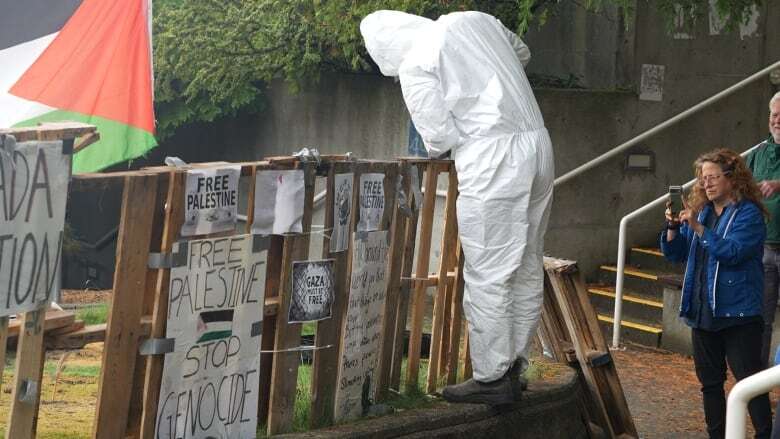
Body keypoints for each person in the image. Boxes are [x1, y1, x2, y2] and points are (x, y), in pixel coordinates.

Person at [360, 10, 554, 405]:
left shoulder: (416, 64)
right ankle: (514, 364)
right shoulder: (473, 20)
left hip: (491, 157)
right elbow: (522, 52)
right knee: (526, 262)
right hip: (538, 144)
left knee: (489, 269)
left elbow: (438, 138)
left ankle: (491, 376)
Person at [661, 149, 772, 438]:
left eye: (712, 177)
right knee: (710, 384)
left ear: (732, 178)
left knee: (749, 382)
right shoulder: (705, 211)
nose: (706, 184)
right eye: (702, 178)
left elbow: (733, 252)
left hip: (738, 314)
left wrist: (698, 228)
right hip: (703, 311)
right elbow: (677, 253)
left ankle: (764, 434)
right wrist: (674, 227)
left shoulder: (749, 213)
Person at [746, 91, 780, 368]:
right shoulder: (758, 154)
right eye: (774, 115)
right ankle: (756, 385)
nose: (778, 120)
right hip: (764, 247)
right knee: (761, 319)